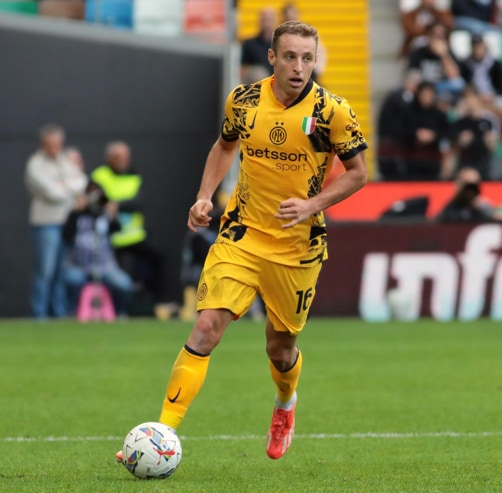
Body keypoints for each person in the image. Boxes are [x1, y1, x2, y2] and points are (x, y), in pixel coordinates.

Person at [115, 20, 368, 463]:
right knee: (207, 327)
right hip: (243, 233)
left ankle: (285, 405)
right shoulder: (245, 99)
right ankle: (160, 434)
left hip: (296, 246)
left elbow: (359, 174)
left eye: (307, 58)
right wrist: (203, 196)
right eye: (290, 56)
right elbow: (224, 146)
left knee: (279, 346)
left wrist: (312, 205)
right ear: (272, 57)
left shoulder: (332, 111)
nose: (299, 66)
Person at [91, 141, 164, 314]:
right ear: (109, 159)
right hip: (109, 238)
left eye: (126, 157)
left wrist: (116, 204)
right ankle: (116, 311)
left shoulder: (134, 176)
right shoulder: (100, 175)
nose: (124, 161)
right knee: (117, 277)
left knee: (158, 259)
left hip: (134, 236)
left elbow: (139, 203)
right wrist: (109, 205)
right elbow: (94, 199)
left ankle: (154, 304)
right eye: (119, 157)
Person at [25, 124, 88, 319]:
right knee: (45, 270)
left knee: (61, 271)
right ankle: (39, 313)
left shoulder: (65, 161)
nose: (54, 148)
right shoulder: (35, 164)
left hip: (65, 223)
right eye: (50, 144)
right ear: (43, 144)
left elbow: (82, 181)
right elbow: (52, 194)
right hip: (45, 223)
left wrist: (64, 186)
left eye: (57, 144)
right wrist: (68, 187)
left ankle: (58, 313)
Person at [62, 182, 133, 317]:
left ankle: (120, 313)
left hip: (105, 267)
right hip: (80, 266)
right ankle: (71, 312)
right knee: (71, 280)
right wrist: (76, 211)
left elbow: (118, 229)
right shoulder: (77, 214)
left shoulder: (105, 214)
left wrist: (113, 213)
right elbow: (66, 236)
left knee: (125, 285)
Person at [397, 81, 454, 180]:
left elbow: (448, 132)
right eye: (424, 94)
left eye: (429, 95)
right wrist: (416, 134)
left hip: (432, 160)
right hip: (411, 159)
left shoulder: (439, 115)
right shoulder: (407, 112)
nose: (426, 97)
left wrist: (433, 136)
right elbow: (399, 131)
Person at [406, 20, 466, 103]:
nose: (437, 39)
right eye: (434, 35)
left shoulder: (448, 53)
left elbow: (454, 77)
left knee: (459, 84)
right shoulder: (418, 53)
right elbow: (412, 78)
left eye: (441, 36)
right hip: (422, 87)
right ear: (429, 36)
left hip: (440, 88)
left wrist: (443, 55)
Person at [451, 85, 499, 178]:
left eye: (471, 97)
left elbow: (494, 147)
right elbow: (454, 146)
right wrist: (461, 142)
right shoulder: (460, 121)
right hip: (466, 162)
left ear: (478, 98)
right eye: (465, 98)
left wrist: (490, 142)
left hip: (484, 162)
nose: (469, 101)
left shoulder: (489, 120)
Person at [457, 33, 502, 120]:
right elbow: (464, 84)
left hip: (491, 97)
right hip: (472, 97)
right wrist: (474, 96)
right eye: (475, 47)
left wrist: (492, 95)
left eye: (479, 47)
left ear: (484, 47)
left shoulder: (495, 64)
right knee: (460, 108)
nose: (477, 50)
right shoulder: (465, 64)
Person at [281, 2, 327, 83]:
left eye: (293, 17)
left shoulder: (309, 32)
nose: (291, 21)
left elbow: (320, 53)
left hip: (308, 74)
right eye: (288, 18)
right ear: (284, 18)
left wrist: (316, 71)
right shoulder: (278, 35)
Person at [240, 6, 278, 84]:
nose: (267, 23)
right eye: (264, 19)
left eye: (269, 19)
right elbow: (243, 69)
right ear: (260, 20)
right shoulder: (250, 43)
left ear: (275, 21)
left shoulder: (280, 44)